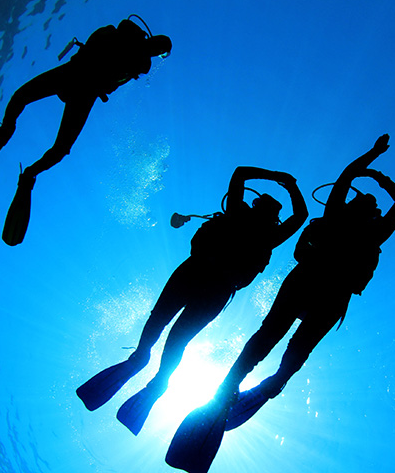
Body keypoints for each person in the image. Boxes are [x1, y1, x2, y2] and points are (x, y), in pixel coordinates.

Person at [165, 134, 395, 473]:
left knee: (282, 340)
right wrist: (373, 164)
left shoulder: (358, 224)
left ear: (368, 213)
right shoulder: (357, 223)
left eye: (371, 206)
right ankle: (254, 383)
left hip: (318, 287)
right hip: (321, 289)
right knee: (280, 339)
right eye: (368, 204)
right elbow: (358, 183)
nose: (370, 207)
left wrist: (373, 168)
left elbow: (385, 195)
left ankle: (254, 383)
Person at [76, 166, 308, 435]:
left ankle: (152, 369)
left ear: (271, 216)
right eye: (265, 205)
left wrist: (281, 179)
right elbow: (244, 176)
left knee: (169, 328)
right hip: (207, 279)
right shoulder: (252, 223)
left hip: (207, 279)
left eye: (270, 208)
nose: (266, 210)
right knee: (166, 325)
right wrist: (288, 184)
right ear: (260, 207)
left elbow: (251, 182)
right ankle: (147, 364)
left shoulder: (259, 228)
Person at [0, 16, 172, 246]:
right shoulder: (134, 53)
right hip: (81, 84)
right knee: (42, 124)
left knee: (30, 108)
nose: (155, 55)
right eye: (160, 52)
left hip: (78, 82)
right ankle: (18, 156)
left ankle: (18, 158)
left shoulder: (128, 47)